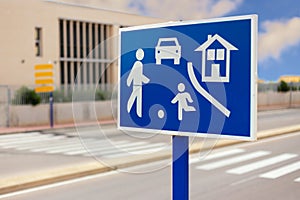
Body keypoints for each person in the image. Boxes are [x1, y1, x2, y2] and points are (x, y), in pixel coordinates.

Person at [127, 48, 150, 117]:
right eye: (140, 54)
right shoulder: (138, 64)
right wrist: (146, 80)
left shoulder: (140, 64)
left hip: (139, 84)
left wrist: (145, 79)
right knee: (134, 96)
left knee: (139, 98)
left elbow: (136, 74)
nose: (141, 56)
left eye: (142, 54)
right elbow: (133, 73)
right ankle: (129, 108)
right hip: (136, 84)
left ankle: (139, 113)